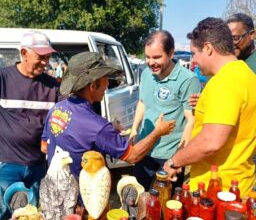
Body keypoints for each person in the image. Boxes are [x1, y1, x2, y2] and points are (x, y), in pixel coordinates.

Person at [42, 52, 175, 188]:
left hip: (54, 189)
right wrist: (157, 132)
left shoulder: (57, 109)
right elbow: (133, 156)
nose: (107, 85)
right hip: (82, 200)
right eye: (106, 79)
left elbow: (44, 146)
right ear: (93, 86)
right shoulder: (98, 127)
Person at [163, 17, 256, 198]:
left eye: (194, 53)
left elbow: (210, 142)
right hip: (240, 184)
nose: (194, 61)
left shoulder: (224, 82)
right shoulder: (247, 75)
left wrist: (175, 161)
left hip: (217, 192)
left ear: (208, 47)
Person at [0, 30, 62, 220]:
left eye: (48, 57)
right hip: (6, 165)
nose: (45, 62)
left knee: (32, 216)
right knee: (4, 215)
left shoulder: (53, 86)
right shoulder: (3, 79)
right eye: (40, 56)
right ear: (24, 53)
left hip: (38, 165)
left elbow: (70, 114)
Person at [129, 30, 201, 192]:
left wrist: (178, 159)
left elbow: (191, 120)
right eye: (147, 57)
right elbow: (142, 102)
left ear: (170, 53)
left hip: (168, 156)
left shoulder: (188, 80)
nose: (151, 62)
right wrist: (134, 130)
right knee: (140, 197)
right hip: (144, 148)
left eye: (156, 57)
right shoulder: (146, 74)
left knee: (164, 203)